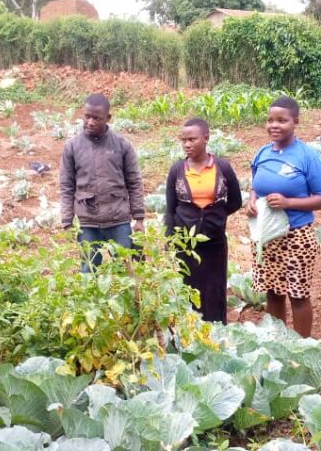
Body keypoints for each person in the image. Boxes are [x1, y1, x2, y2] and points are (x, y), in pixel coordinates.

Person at [247, 96, 321, 337]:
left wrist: (289, 203)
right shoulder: (262, 153)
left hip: (296, 237)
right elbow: (256, 185)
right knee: (273, 291)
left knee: (298, 294)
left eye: (282, 120)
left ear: (295, 122)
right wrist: (252, 201)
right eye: (270, 120)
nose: (274, 125)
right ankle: (278, 341)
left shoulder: (307, 156)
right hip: (267, 236)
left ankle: (301, 346)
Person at [164, 118, 243, 323]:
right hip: (185, 242)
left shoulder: (222, 168)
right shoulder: (177, 170)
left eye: (192, 139)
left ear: (206, 138)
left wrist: (214, 217)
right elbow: (170, 208)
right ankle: (190, 329)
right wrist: (170, 238)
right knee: (188, 285)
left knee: (215, 287)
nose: (187, 144)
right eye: (183, 140)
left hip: (214, 240)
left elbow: (235, 201)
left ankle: (216, 328)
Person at [59, 93, 144, 269]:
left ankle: (129, 297)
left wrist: (139, 218)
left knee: (125, 269)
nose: (90, 122)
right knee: (88, 270)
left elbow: (134, 182)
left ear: (108, 118)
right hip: (87, 221)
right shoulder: (72, 146)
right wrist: (67, 220)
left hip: (118, 219)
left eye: (96, 118)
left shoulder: (122, 145)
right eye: (87, 116)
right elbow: (67, 186)